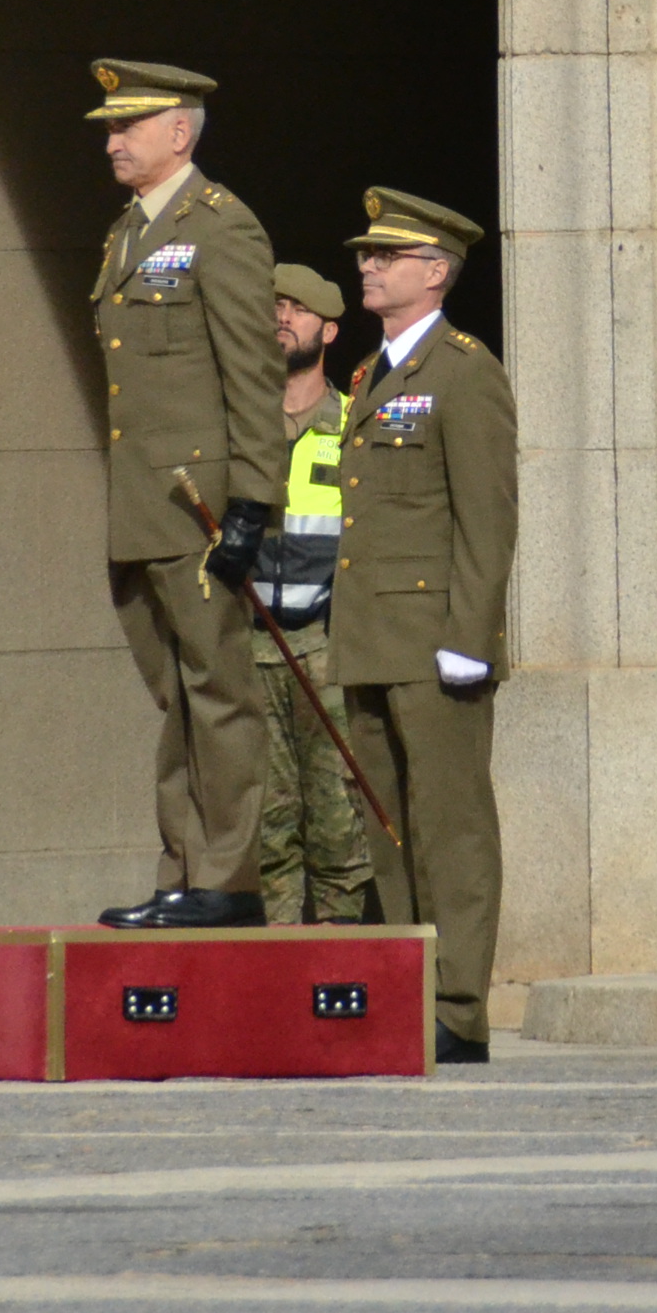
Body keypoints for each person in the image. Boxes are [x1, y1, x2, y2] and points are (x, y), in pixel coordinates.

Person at [83, 59, 288, 932]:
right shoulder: (127, 233)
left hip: (200, 506)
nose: (112, 141)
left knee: (219, 692)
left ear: (179, 131)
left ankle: (228, 877)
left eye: (127, 126)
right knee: (175, 698)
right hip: (144, 507)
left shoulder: (221, 226)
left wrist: (252, 503)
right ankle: (186, 869)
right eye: (108, 128)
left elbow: (253, 373)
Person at [333, 189, 519, 1062]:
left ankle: (459, 1007)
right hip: (372, 634)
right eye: (366, 254)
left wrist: (470, 637)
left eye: (387, 255)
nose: (368, 266)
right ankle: (407, 994)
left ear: (436, 271)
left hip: (433, 639)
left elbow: (488, 516)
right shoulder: (370, 375)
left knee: (450, 827)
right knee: (389, 827)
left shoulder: (463, 370)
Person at [252, 262, 373, 925]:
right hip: (249, 647)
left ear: (328, 330)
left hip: (327, 650)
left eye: (298, 309)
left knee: (336, 823)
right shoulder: (241, 425)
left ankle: (335, 960)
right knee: (264, 830)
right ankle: (276, 963)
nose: (282, 317)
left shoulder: (353, 426)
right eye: (274, 305)